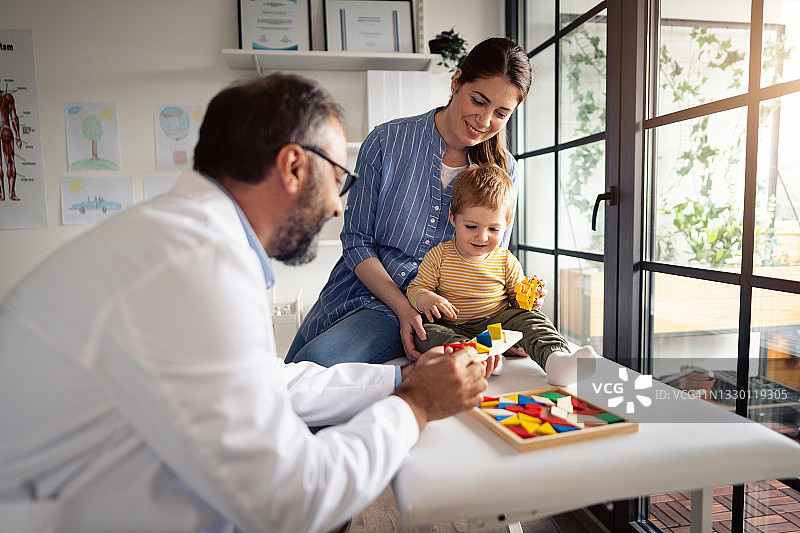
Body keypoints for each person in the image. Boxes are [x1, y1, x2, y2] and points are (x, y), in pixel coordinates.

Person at [0, 74, 497, 533]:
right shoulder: (196, 265)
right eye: (338, 180)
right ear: (293, 166)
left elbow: (263, 380)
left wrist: (400, 379)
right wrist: (416, 404)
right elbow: (293, 499)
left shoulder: (185, 240)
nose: (337, 206)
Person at [286, 37, 533, 366]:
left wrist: (511, 319)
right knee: (287, 374)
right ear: (456, 81)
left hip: (431, 312)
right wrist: (403, 306)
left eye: (501, 113)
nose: (485, 121)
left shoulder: (505, 171)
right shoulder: (387, 141)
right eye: (478, 101)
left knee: (313, 364)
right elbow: (357, 240)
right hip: (355, 288)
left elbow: (493, 262)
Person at [406, 164, 598, 386]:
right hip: (453, 327)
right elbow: (415, 288)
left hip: (497, 327)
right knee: (424, 333)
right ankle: (481, 358)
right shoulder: (439, 255)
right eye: (471, 226)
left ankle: (556, 361)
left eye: (493, 229)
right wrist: (427, 299)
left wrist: (532, 299)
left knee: (533, 320)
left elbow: (518, 304)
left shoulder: (505, 259)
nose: (482, 237)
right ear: (453, 218)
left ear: (506, 225)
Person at [0, 85, 23, 201]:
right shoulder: (7, 97)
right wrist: (18, 136)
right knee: (10, 161)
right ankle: (11, 193)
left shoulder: (7, 97)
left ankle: (1, 194)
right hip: (5, 129)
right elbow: (14, 117)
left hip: (5, 129)